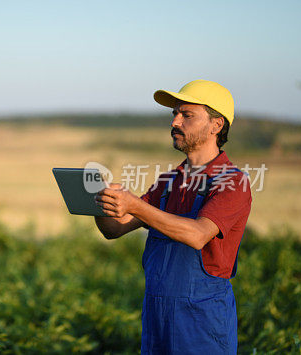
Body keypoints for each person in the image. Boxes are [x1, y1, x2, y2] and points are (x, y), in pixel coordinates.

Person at [93, 79, 252, 354]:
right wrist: (100, 202)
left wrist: (136, 205)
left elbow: (197, 234)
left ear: (216, 125)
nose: (175, 122)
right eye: (175, 114)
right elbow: (114, 230)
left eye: (187, 115)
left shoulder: (233, 182)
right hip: (157, 318)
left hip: (202, 323)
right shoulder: (168, 182)